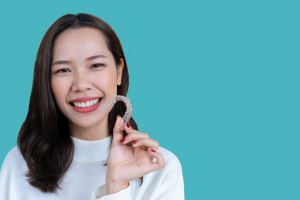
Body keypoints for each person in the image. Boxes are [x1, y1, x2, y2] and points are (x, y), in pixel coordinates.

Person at [0, 13, 184, 200]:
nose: (81, 84)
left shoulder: (160, 168)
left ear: (119, 71)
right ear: (47, 80)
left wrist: (117, 187)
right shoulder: (18, 164)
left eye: (96, 65)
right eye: (63, 70)